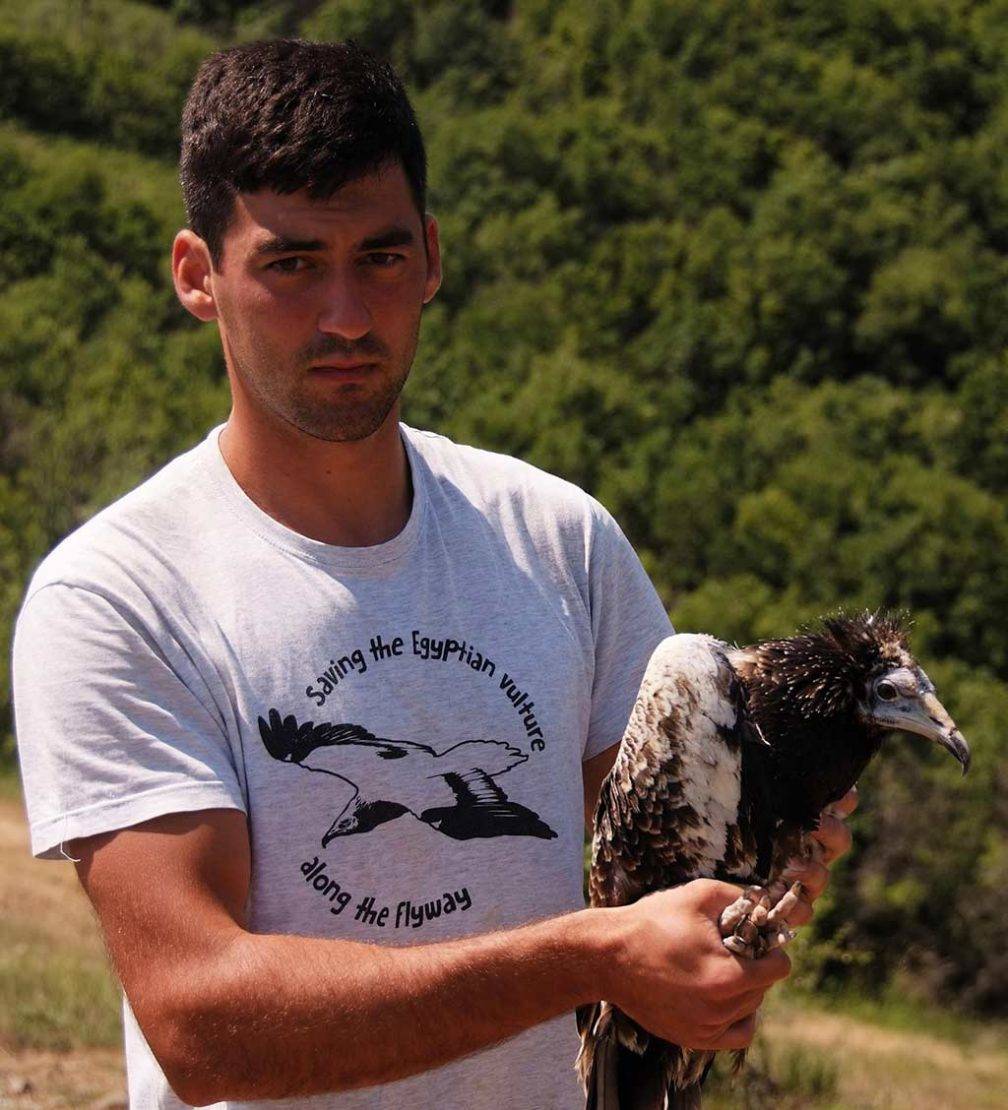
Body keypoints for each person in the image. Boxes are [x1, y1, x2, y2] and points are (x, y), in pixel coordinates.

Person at [11, 38, 854, 1109]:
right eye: (292, 264)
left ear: (435, 258)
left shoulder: (561, 541)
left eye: (382, 257)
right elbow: (203, 1020)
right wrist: (588, 960)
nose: (348, 317)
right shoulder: (120, 597)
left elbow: (665, 869)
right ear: (197, 276)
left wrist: (760, 882)